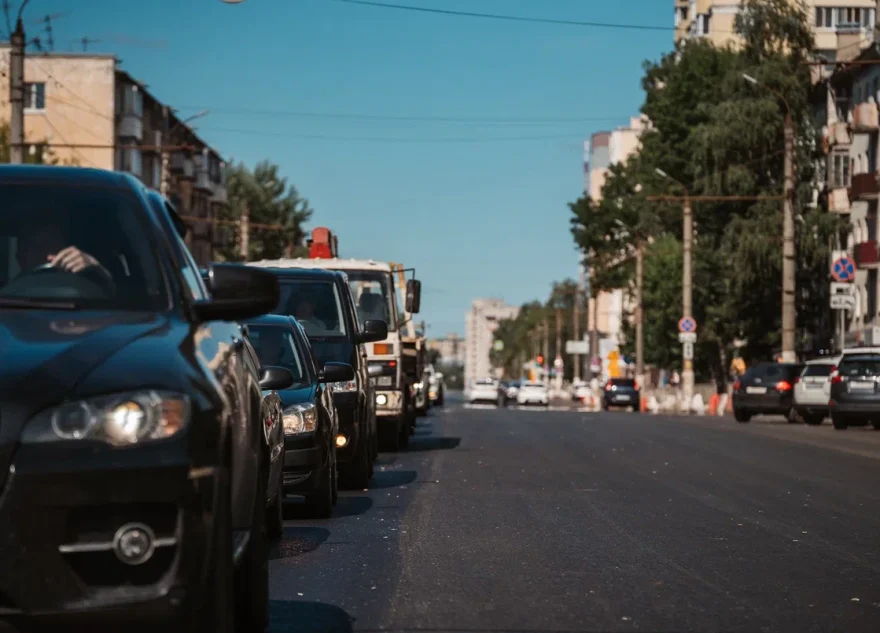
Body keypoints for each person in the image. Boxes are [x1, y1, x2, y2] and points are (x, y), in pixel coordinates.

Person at [14, 215, 113, 290]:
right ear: (20, 258)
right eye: (34, 247)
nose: (46, 256)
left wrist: (97, 270)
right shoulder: (8, 297)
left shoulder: (86, 286)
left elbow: (119, 301)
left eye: (50, 244)